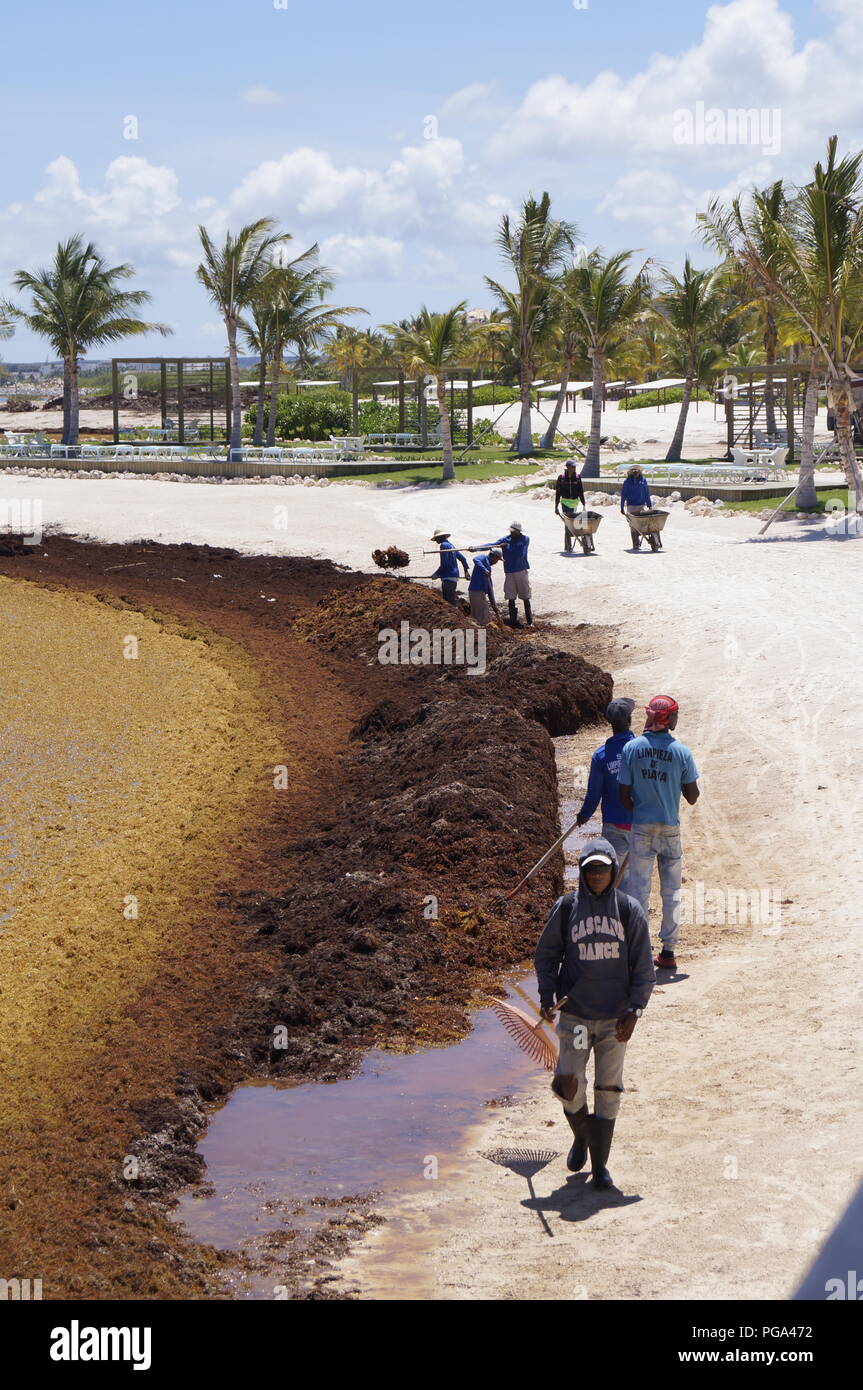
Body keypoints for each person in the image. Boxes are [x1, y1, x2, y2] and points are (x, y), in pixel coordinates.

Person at [535, 839, 654, 1190]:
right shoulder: (567, 907)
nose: (598, 875)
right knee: (567, 1084)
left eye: (603, 869)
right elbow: (546, 956)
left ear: (613, 871)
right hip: (576, 1016)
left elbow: (644, 967)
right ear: (582, 872)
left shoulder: (629, 910)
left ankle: (600, 1166)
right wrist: (546, 995)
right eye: (591, 869)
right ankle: (581, 1136)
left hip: (615, 1019)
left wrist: (635, 1009)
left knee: (608, 1089)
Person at [616, 695, 700, 972]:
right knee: (671, 891)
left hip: (642, 826)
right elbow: (692, 797)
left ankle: (639, 950)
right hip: (670, 829)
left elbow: (624, 796)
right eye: (675, 715)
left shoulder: (632, 748)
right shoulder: (681, 752)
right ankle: (668, 951)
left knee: (639, 890)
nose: (677, 720)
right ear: (668, 719)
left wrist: (642, 807)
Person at [575, 697, 636, 887]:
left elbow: (594, 794)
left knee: (614, 879)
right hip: (641, 824)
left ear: (610, 724)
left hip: (614, 825)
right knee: (637, 880)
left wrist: (584, 815)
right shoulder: (642, 749)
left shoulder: (601, 756)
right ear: (630, 720)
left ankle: (614, 913)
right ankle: (632, 913)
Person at [471, 521, 532, 628]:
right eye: (511, 532)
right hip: (509, 572)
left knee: (525, 595)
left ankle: (530, 622)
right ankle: (513, 622)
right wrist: (476, 548)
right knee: (510, 596)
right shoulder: (506, 539)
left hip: (521, 570)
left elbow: (520, 553)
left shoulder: (525, 539)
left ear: (518, 531)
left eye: (513, 532)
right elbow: (491, 545)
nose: (512, 534)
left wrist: (507, 547)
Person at [430, 527, 469, 605]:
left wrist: (437, 573)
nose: (436, 540)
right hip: (454, 576)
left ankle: (455, 616)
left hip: (448, 576)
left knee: (448, 602)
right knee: (449, 600)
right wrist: (466, 571)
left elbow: (445, 563)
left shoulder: (443, 545)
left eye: (437, 538)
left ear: (441, 537)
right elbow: (463, 559)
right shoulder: (451, 546)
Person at [555, 458, 586, 553]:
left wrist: (584, 503)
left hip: (574, 502)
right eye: (572, 467)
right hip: (565, 502)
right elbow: (558, 492)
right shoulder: (561, 478)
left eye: (575, 467)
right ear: (567, 467)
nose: (574, 468)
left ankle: (570, 544)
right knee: (567, 524)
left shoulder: (577, 477)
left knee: (574, 523)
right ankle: (568, 546)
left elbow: (581, 491)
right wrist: (556, 506)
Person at [619, 465, 653, 550]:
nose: (635, 472)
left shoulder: (643, 481)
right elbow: (623, 495)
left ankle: (638, 539)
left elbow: (646, 493)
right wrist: (622, 507)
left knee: (641, 524)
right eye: (633, 471)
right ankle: (635, 542)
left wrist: (649, 505)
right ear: (630, 472)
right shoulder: (627, 482)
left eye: (637, 471)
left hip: (641, 505)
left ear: (640, 472)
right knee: (632, 525)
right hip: (630, 506)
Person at [467, 549, 501, 626]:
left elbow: (490, 589)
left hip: (480, 593)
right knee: (482, 618)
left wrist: (494, 605)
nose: (496, 563)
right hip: (476, 591)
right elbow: (475, 559)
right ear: (494, 556)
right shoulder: (483, 558)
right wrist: (484, 570)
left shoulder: (488, 567)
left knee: (481, 617)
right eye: (497, 560)